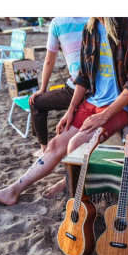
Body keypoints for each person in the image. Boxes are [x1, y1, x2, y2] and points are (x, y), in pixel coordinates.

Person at [0, 17, 128, 205]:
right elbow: (82, 77)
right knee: (55, 145)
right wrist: (71, 109)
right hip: (93, 100)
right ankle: (12, 191)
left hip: (121, 106)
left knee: (75, 144)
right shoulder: (90, 29)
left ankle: (74, 196)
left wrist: (103, 117)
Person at [28, 17, 89, 157]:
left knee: (36, 103)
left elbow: (49, 60)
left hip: (76, 89)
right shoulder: (94, 18)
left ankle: (44, 150)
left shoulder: (57, 23)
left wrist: (42, 89)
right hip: (100, 88)